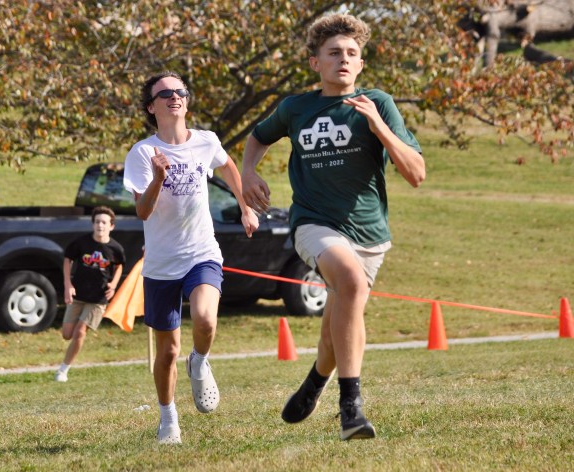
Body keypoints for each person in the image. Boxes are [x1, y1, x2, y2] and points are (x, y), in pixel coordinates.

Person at [241, 12, 426, 440]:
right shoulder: (295, 108)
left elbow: (416, 174)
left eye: (351, 53)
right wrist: (249, 172)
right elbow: (258, 136)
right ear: (315, 62)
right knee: (351, 283)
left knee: (336, 327)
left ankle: (315, 382)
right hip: (314, 223)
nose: (343, 59)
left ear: (361, 64)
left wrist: (379, 127)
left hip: (370, 234)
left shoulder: (378, 103)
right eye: (333, 52)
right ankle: (351, 410)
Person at [123, 71, 259, 445]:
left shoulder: (206, 141)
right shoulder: (142, 153)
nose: (175, 96)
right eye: (165, 93)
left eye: (180, 91)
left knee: (205, 318)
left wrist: (245, 207)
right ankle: (169, 421)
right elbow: (143, 211)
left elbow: (228, 166)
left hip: (201, 253)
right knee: (167, 351)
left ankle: (199, 361)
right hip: (161, 265)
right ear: (151, 107)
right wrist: (157, 178)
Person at [55, 206, 125, 382]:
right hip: (78, 294)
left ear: (111, 226)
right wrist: (67, 284)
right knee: (67, 334)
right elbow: (68, 259)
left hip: (98, 299)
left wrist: (114, 285)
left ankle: (63, 370)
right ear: (93, 224)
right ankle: (65, 364)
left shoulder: (115, 248)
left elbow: (119, 266)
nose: (100, 225)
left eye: (104, 222)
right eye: (97, 222)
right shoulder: (81, 243)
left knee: (80, 332)